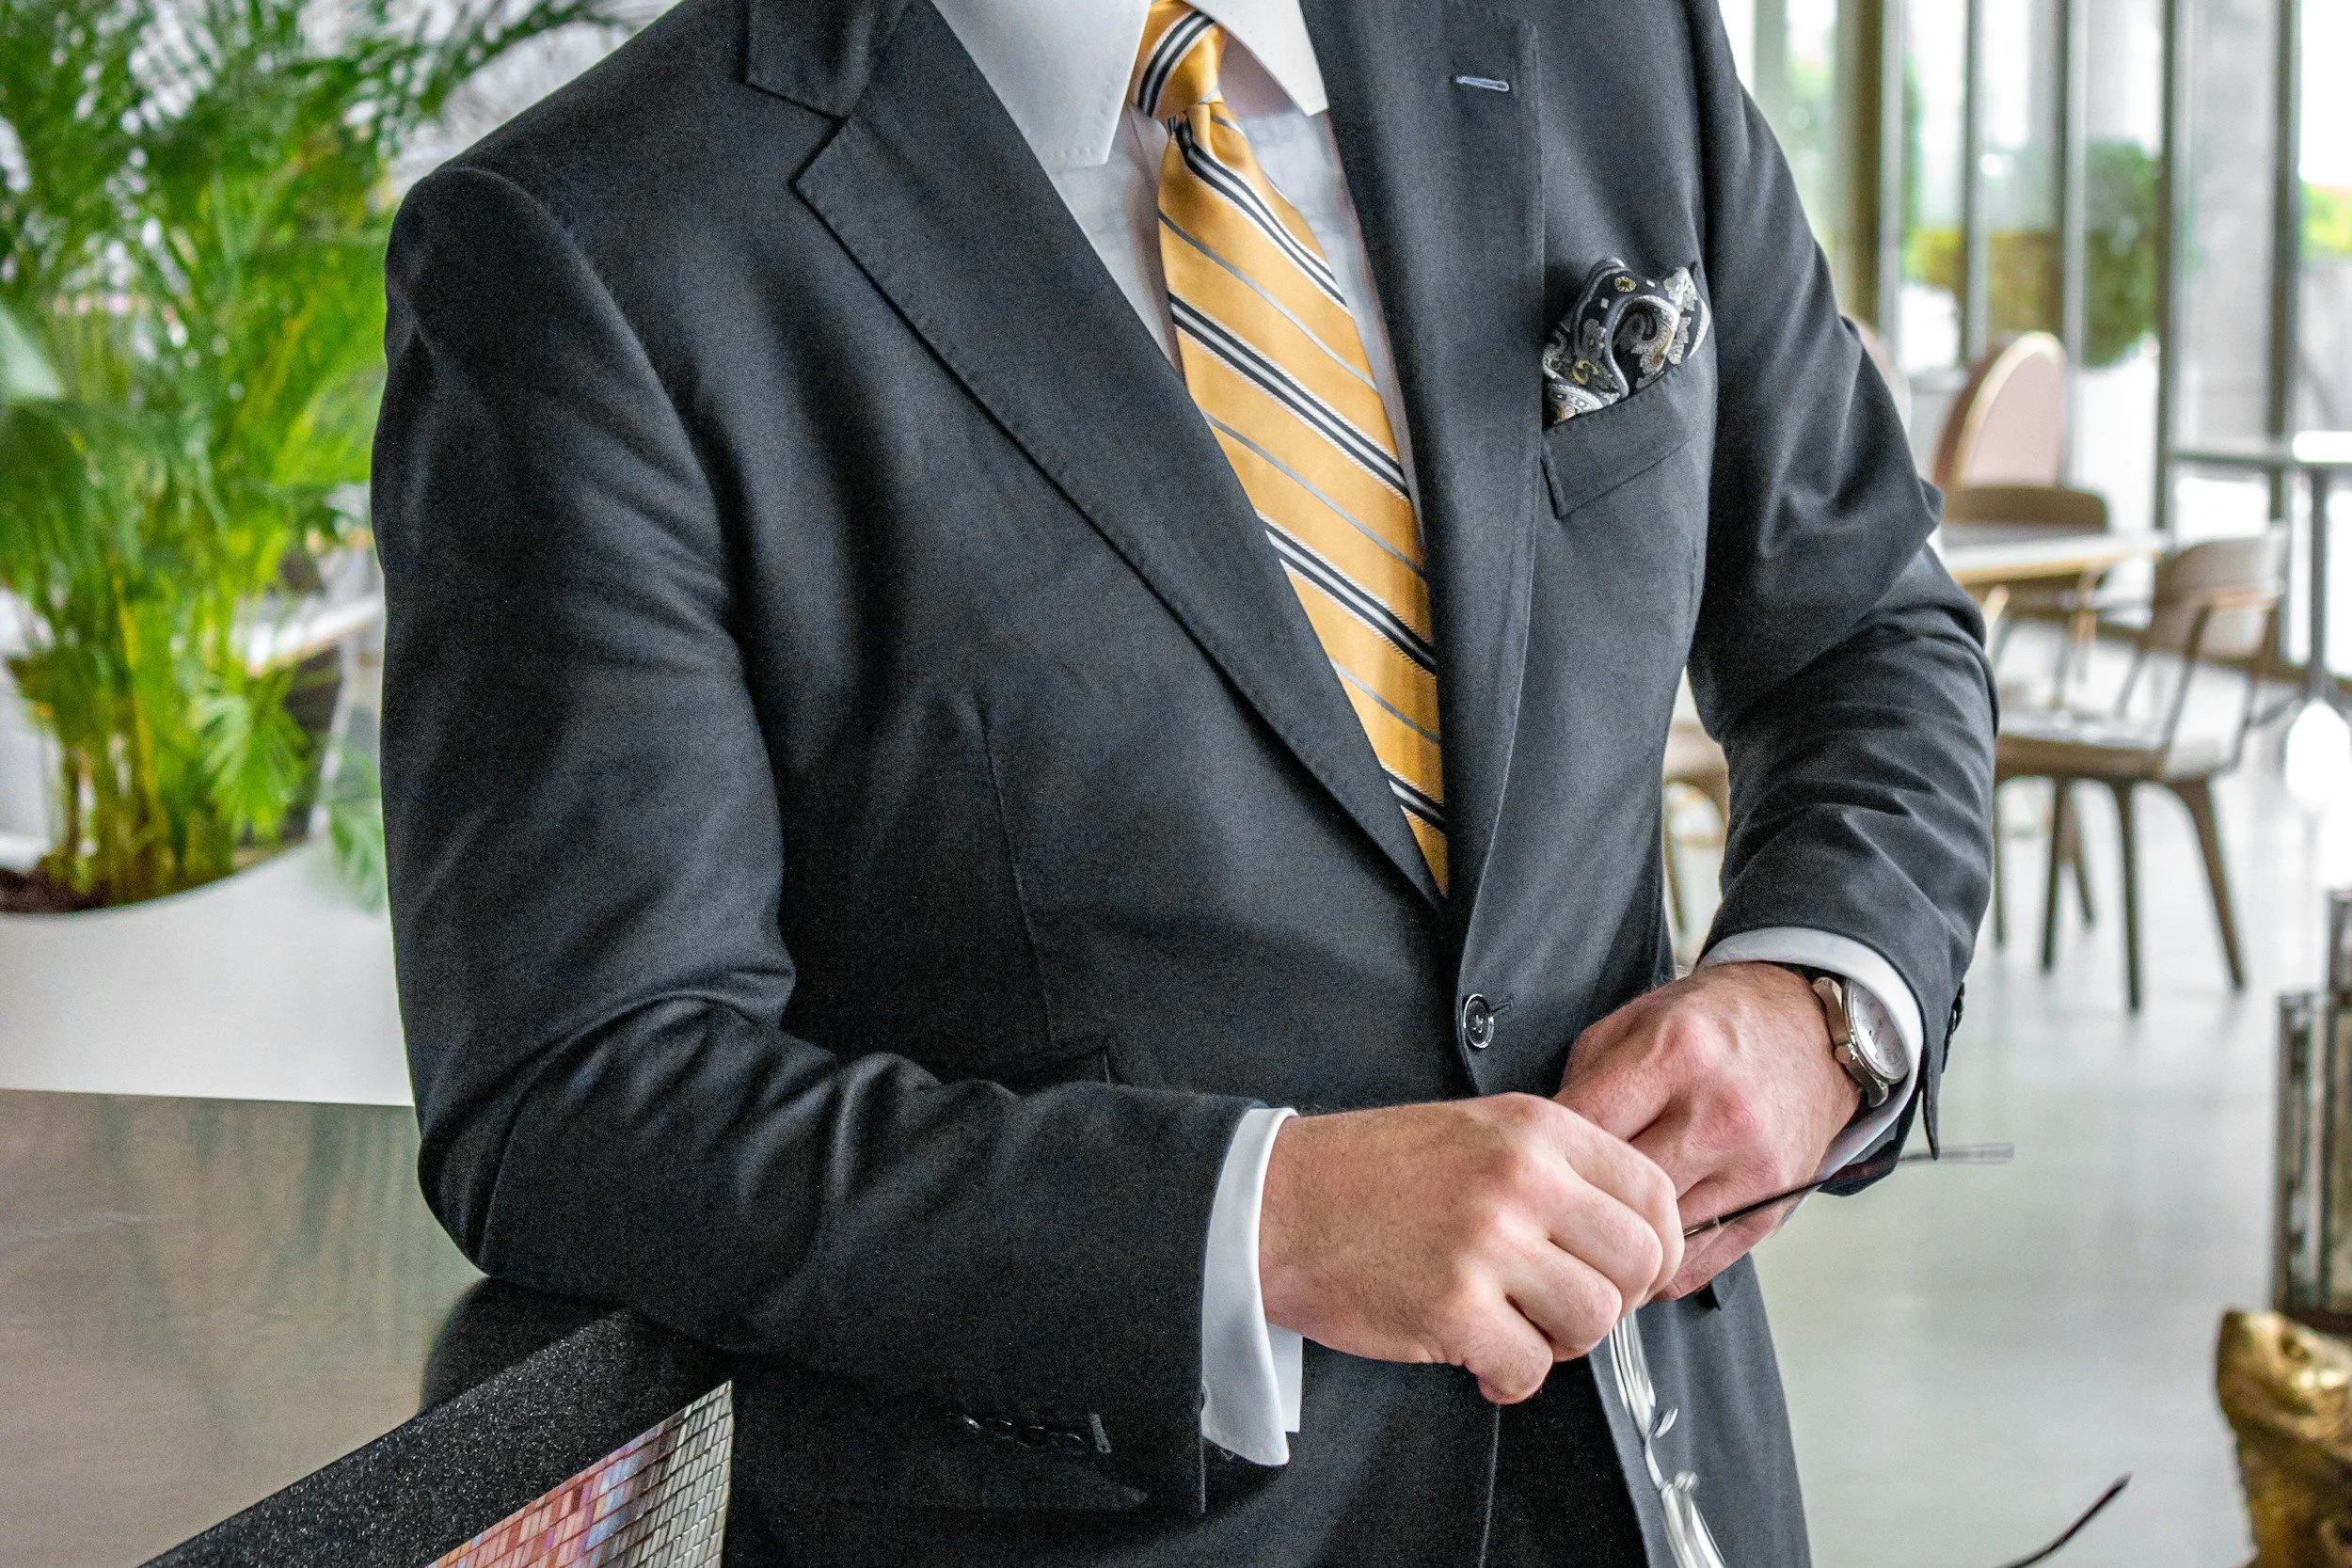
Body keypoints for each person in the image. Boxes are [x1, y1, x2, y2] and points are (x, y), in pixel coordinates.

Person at [371, 0, 1994, 1560]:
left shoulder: (1609, 34)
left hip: (1665, 1477)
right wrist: (1257, 1219)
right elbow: (580, 1090)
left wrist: (1825, 1004)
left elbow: (1861, 627)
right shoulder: (591, 240)